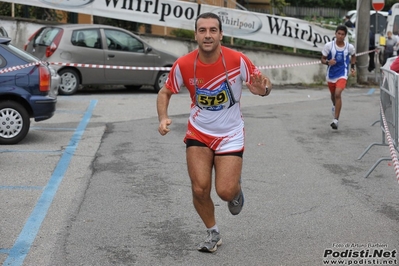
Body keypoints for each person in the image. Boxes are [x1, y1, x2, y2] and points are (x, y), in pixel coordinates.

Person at [156, 12, 272, 253]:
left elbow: (262, 84)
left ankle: (235, 188)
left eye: (212, 30)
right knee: (199, 188)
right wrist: (163, 117)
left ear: (221, 34)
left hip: (230, 133)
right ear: (196, 35)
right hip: (199, 133)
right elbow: (165, 92)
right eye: (202, 30)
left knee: (225, 191)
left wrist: (263, 89)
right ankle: (213, 233)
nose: (207, 35)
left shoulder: (237, 60)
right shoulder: (184, 64)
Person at [321, 25, 356, 130]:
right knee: (333, 96)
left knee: (338, 93)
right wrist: (328, 62)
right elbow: (322, 59)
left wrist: (352, 67)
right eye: (339, 34)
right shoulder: (328, 46)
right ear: (335, 34)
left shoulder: (349, 47)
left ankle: (335, 120)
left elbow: (353, 55)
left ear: (345, 36)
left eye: (342, 34)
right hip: (331, 75)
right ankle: (335, 106)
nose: (340, 36)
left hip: (342, 73)